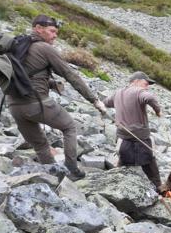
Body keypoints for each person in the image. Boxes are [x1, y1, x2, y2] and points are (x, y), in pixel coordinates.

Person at [8, 15, 106, 179]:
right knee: (69, 127)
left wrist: (50, 83)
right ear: (38, 28)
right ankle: (72, 169)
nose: (55, 35)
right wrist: (94, 100)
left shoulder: (17, 47)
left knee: (40, 144)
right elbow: (70, 74)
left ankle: (54, 177)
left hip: (14, 106)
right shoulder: (45, 48)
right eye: (52, 31)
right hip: (36, 103)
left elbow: (26, 74)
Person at [103, 71, 161, 189]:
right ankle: (159, 188)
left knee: (123, 163)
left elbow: (105, 103)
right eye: (146, 83)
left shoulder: (118, 93)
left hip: (123, 138)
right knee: (150, 165)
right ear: (136, 81)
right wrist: (158, 111)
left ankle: (116, 188)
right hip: (141, 138)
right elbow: (150, 97)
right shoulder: (139, 91)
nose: (147, 86)